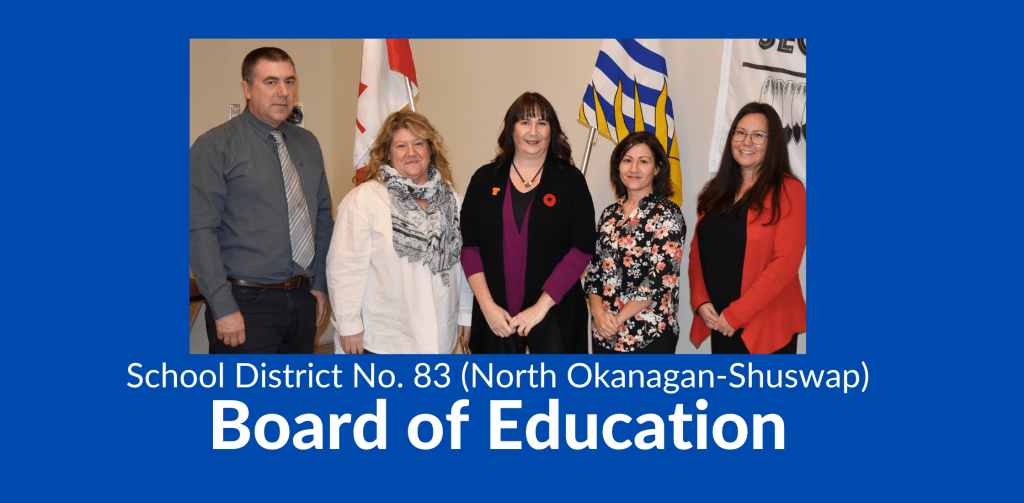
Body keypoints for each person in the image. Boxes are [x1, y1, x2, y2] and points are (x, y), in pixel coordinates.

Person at [190, 47, 333, 354]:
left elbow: (322, 218)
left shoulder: (307, 143)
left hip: (302, 297)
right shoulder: (214, 145)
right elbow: (200, 231)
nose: (283, 92)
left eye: (289, 81)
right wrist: (222, 305)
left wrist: (319, 284)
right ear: (246, 89)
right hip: (244, 302)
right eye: (271, 82)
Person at [460, 92, 596, 354]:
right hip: (495, 315)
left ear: (552, 131)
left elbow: (581, 249)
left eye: (542, 123)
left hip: (554, 312)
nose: (533, 131)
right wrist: (487, 307)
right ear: (511, 129)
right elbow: (469, 248)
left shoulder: (571, 181)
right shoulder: (484, 179)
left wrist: (540, 308)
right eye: (524, 122)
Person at [327, 111, 472, 354]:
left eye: (419, 144)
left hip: (439, 334)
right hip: (385, 339)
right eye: (401, 146)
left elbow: (463, 262)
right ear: (387, 153)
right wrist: (348, 326)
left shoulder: (451, 199)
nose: (411, 153)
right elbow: (344, 268)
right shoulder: (365, 199)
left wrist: (465, 312)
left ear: (431, 149)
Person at [688, 102, 806, 354]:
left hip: (765, 325)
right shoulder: (717, 191)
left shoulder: (789, 190)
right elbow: (698, 249)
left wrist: (736, 315)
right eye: (740, 133)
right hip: (720, 321)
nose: (746, 141)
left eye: (758, 135)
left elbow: (786, 263)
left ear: (773, 143)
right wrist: (700, 300)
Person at [585, 131, 685, 354]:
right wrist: (599, 315)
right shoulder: (608, 215)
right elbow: (594, 272)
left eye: (643, 161)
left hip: (649, 335)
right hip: (604, 333)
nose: (634, 169)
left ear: (657, 168)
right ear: (618, 166)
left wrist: (618, 319)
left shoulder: (668, 214)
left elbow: (659, 278)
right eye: (627, 160)